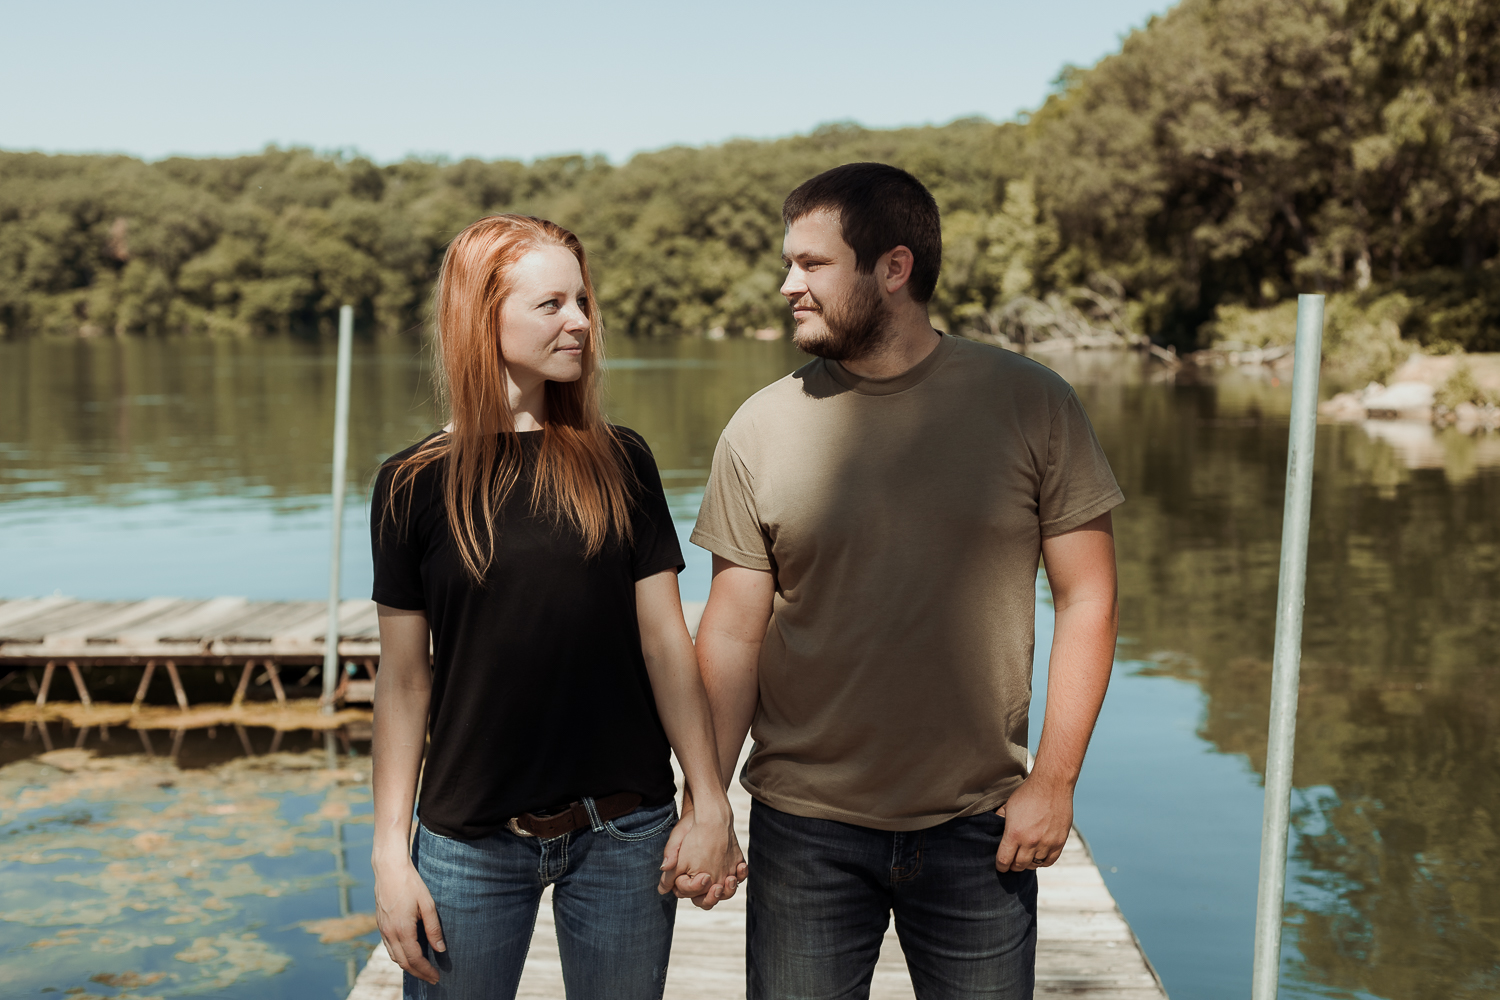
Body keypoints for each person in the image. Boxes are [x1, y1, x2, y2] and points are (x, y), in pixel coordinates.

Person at [686, 163, 1123, 999]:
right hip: (805, 829)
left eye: (812, 265)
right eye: (789, 264)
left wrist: (1054, 783)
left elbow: (1089, 598)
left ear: (893, 268)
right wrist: (705, 801)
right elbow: (733, 631)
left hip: (979, 827)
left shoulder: (1032, 404)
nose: (787, 286)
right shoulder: (759, 427)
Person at [369, 214, 744, 1000]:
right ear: (482, 315)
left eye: (582, 300)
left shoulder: (622, 459)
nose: (579, 321)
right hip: (468, 844)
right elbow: (405, 684)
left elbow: (665, 644)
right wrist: (388, 855)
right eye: (551, 305)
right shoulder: (411, 484)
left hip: (626, 835)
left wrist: (707, 798)